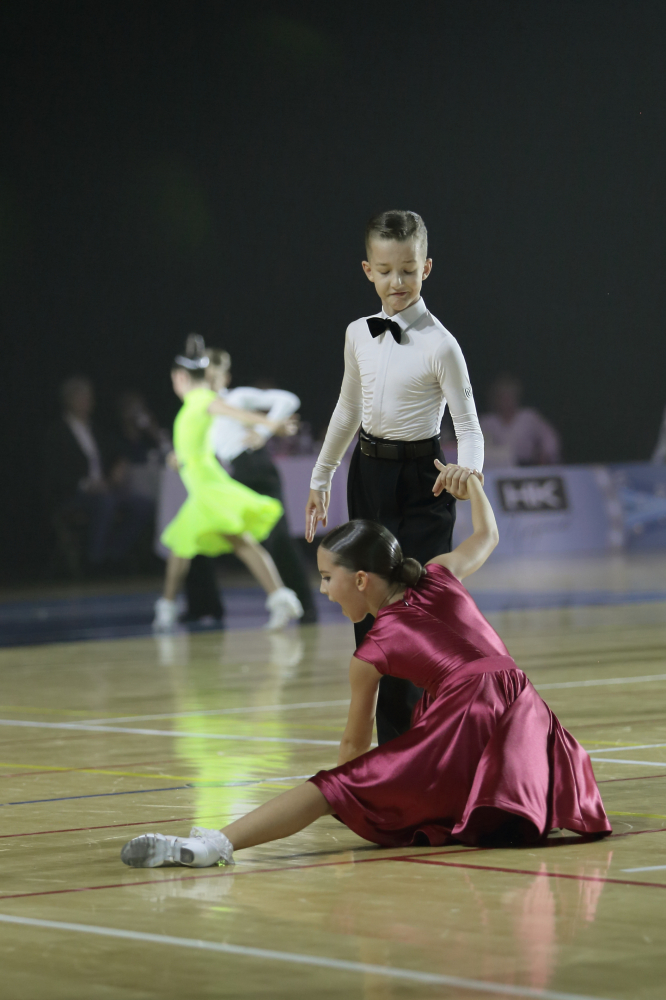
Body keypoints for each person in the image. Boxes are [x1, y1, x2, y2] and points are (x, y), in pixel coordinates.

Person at [121, 465, 610, 869]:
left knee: (332, 786)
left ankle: (215, 844)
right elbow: (487, 535)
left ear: (360, 580)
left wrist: (347, 794)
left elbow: (354, 747)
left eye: (326, 578)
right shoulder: (439, 573)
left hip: (468, 710)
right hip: (523, 703)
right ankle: (511, 804)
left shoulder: (372, 651)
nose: (323, 590)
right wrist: (474, 488)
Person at [305, 209, 484, 746]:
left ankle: (411, 747)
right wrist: (321, 477)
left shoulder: (442, 345)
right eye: (385, 271)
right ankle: (386, 751)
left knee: (413, 613)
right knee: (368, 614)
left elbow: (469, 428)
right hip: (368, 476)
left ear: (426, 268)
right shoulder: (357, 333)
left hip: (423, 483)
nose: (397, 282)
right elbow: (347, 409)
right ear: (368, 270)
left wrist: (468, 470)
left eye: (407, 270)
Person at [153, 342, 304, 632]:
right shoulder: (192, 405)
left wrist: (270, 425)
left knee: (228, 542)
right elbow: (197, 443)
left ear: (181, 378)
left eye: (173, 379)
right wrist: (179, 457)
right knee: (186, 545)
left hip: (209, 487)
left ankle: (280, 599)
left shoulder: (201, 398)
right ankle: (167, 607)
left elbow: (231, 411)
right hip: (200, 487)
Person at [44, 375, 153, 568]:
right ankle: (94, 561)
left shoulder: (96, 430)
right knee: (106, 503)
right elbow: (54, 472)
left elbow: (115, 451)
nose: (89, 403)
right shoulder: (56, 433)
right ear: (70, 400)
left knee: (142, 505)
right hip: (73, 493)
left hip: (104, 489)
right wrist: (86, 485)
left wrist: (120, 463)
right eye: (84, 398)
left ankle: (114, 555)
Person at [480, 373, 561, 467]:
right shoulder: (487, 422)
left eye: (509, 397)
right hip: (498, 468)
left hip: (527, 467)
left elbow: (550, 438)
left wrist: (545, 454)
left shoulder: (529, 417)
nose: (506, 401)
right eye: (502, 397)